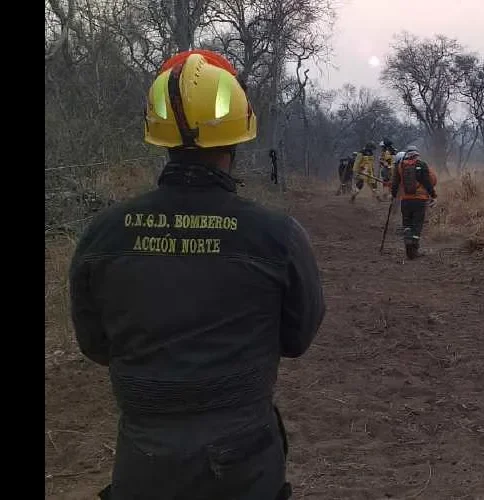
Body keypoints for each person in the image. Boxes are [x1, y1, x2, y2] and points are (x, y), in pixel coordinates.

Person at [69, 50, 326, 500]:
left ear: (158, 136)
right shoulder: (276, 235)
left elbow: (95, 345)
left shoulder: (102, 233)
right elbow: (297, 337)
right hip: (244, 463)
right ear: (237, 136)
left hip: (142, 462)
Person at [391, 146, 437, 259]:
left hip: (405, 200)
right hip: (420, 200)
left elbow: (395, 183)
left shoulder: (400, 166)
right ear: (417, 154)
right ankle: (414, 251)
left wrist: (393, 194)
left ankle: (407, 245)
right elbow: (427, 182)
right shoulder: (422, 164)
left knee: (407, 223)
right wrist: (433, 195)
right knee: (417, 225)